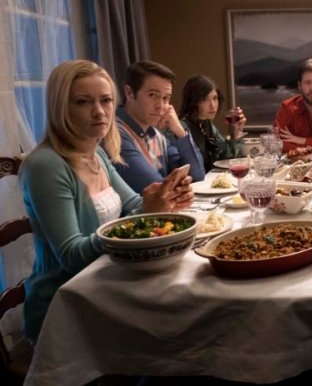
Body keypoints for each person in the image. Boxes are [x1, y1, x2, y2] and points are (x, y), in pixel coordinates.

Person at [19, 60, 195, 342]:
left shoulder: (96, 153)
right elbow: (72, 257)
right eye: (82, 101)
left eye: (106, 100)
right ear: (60, 107)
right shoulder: (46, 165)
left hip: (108, 286)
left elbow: (134, 205)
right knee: (183, 324)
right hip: (65, 307)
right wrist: (143, 216)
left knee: (187, 309)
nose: (99, 111)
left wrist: (164, 199)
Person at [114, 60, 205, 193]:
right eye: (152, 95)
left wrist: (180, 132)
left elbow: (197, 175)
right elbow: (156, 189)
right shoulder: (115, 134)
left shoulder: (155, 133)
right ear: (129, 93)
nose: (160, 106)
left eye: (165, 98)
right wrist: (181, 183)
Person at [175, 75, 245, 171]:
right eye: (205, 99)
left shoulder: (206, 124)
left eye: (215, 98)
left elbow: (225, 158)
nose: (213, 105)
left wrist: (236, 132)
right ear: (193, 101)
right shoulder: (181, 127)